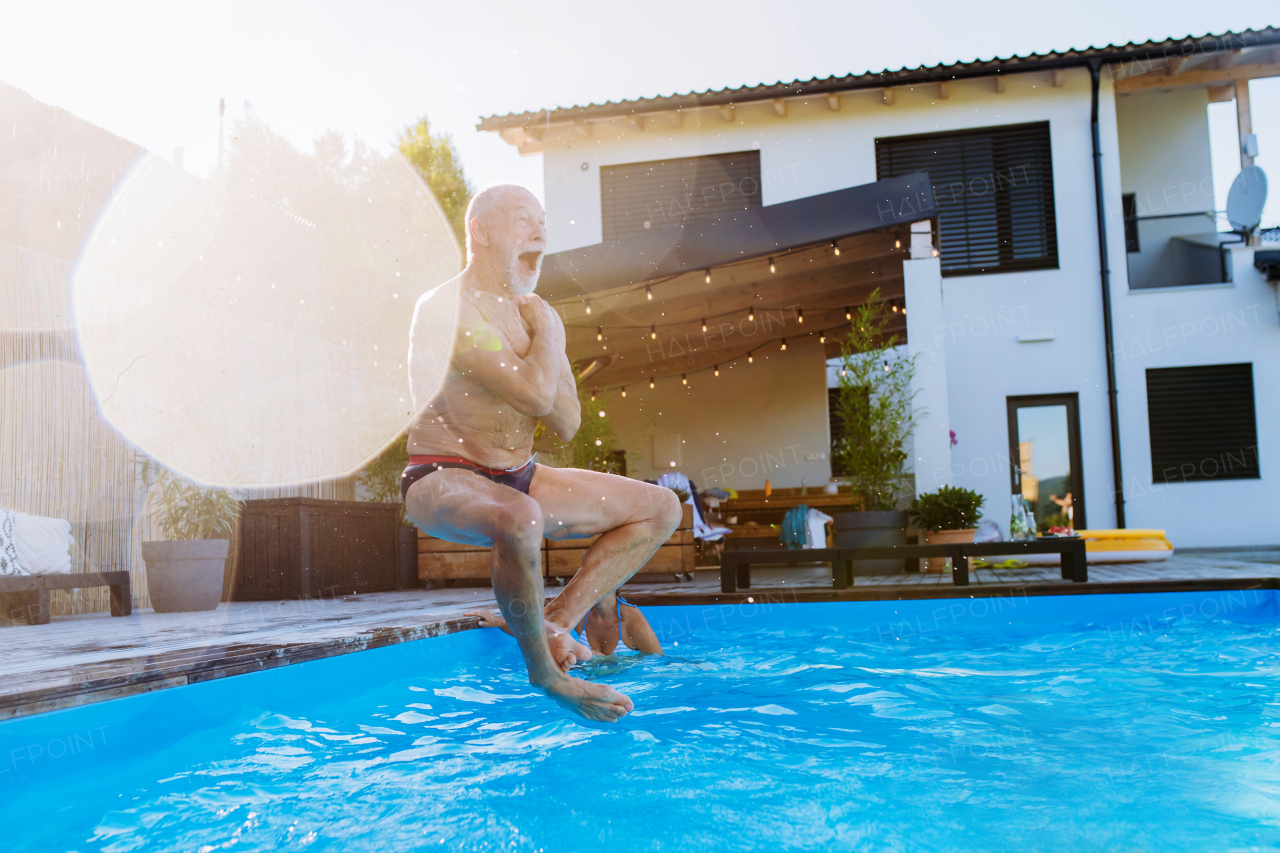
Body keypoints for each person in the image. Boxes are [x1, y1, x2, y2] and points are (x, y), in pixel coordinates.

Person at [403, 184, 682, 723]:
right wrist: (549, 332)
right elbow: (533, 395)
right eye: (522, 220)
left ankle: (556, 619)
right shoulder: (448, 310)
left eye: (543, 222)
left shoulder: (530, 315)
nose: (539, 232)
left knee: (660, 508)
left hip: (521, 474)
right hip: (443, 476)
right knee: (520, 515)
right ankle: (546, 674)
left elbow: (568, 420)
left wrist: (540, 335)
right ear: (479, 233)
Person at [470, 589, 663, 655]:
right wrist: (496, 621)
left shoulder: (631, 620)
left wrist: (609, 661)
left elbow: (658, 663)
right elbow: (536, 627)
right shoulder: (580, 612)